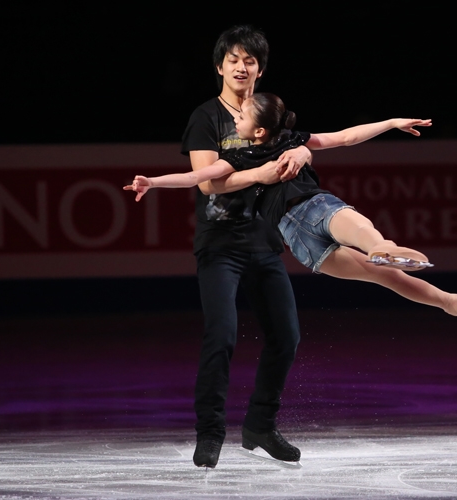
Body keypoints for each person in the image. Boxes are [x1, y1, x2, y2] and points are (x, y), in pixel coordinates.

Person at [126, 93, 457, 324]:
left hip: (304, 233)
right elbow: (197, 178)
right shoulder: (249, 155)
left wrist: (389, 122)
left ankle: (446, 299)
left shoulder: (273, 147)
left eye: (241, 116)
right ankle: (390, 255)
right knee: (377, 254)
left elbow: (346, 137)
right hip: (309, 218)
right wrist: (153, 182)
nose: (235, 119)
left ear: (259, 130)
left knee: (386, 275)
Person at [175, 26, 308, 468]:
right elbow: (207, 182)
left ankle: (260, 426)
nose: (241, 67)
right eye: (233, 59)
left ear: (260, 69)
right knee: (222, 336)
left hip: (264, 243)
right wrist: (260, 174)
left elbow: (308, 144)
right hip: (220, 246)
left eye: (249, 60)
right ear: (219, 67)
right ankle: (210, 433)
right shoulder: (206, 117)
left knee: (286, 336)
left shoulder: (270, 113)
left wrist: (303, 154)